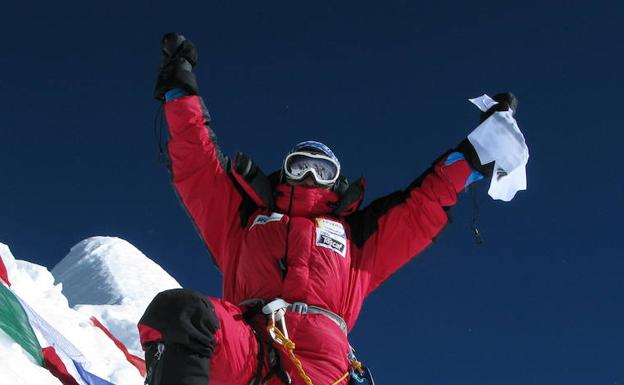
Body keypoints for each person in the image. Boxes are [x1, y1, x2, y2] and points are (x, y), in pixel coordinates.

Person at [138, 33, 520, 385]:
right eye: (298, 166)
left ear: (335, 182)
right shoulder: (245, 220)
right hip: (248, 342)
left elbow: (423, 204)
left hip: (323, 361)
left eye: (320, 170)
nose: (307, 177)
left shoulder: (358, 235)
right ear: (282, 173)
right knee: (181, 313)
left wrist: (481, 149)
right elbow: (198, 167)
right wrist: (180, 90)